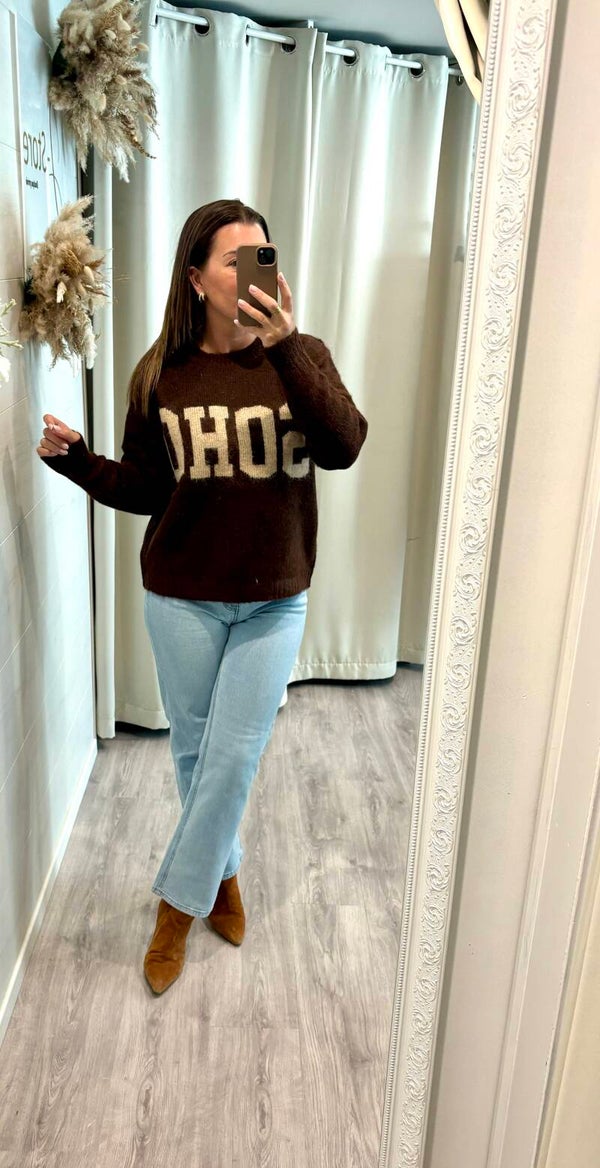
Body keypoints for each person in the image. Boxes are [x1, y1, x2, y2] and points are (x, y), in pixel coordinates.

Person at [36, 198, 368, 995]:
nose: (257, 273)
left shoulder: (304, 357)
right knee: (194, 754)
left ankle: (175, 907)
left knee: (234, 756)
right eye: (235, 260)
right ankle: (222, 877)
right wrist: (79, 463)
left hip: (275, 601)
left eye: (264, 257)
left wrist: (287, 348)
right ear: (195, 278)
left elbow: (345, 445)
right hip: (181, 595)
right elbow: (150, 489)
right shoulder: (162, 374)